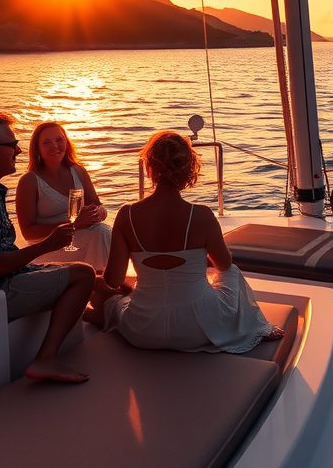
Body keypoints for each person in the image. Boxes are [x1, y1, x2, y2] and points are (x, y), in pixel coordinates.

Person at [89, 130, 282, 352]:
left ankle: (98, 317)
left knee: (108, 296)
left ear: (150, 168)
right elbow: (225, 264)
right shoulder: (201, 216)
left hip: (143, 329)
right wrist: (199, 258)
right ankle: (257, 327)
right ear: (189, 169)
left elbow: (113, 279)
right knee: (233, 273)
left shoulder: (127, 215)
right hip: (199, 330)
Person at [0, 112, 95, 383]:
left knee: (97, 281)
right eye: (12, 145)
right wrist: (47, 245)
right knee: (83, 275)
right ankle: (45, 358)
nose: (18, 150)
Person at [15, 122, 112, 269]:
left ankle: (99, 281)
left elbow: (99, 207)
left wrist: (97, 213)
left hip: (81, 238)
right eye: (46, 142)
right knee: (101, 234)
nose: (54, 146)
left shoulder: (78, 171)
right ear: (37, 149)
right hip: (47, 246)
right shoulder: (30, 181)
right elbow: (28, 233)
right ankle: (104, 283)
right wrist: (72, 224)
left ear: (66, 142)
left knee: (104, 232)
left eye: (59, 140)